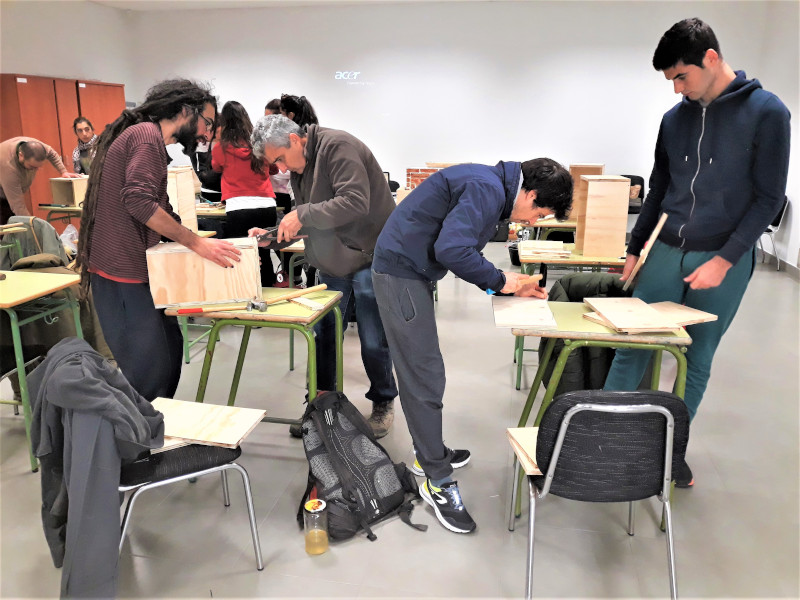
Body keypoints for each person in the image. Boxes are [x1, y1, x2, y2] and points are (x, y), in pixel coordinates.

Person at [603, 18, 791, 487]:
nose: (676, 90)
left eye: (680, 77)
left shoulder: (768, 113)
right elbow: (660, 187)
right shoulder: (674, 120)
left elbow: (769, 198)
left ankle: (670, 449)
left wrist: (725, 259)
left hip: (724, 259)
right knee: (634, 345)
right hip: (666, 251)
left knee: (697, 357)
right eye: (670, 81)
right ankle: (601, 436)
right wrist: (634, 249)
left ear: (710, 59)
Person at [371, 158, 573, 533]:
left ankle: (429, 449)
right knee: (424, 374)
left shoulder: (488, 184)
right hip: (400, 274)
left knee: (425, 371)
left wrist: (503, 282)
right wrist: (501, 280)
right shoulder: (488, 189)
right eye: (538, 213)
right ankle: (435, 476)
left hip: (407, 270)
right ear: (528, 194)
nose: (531, 222)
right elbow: (453, 250)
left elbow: (458, 247)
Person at [75, 78, 241, 401]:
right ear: (184, 111)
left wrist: (185, 238)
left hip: (128, 271)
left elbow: (158, 206)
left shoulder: (148, 140)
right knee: (152, 373)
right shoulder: (145, 138)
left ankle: (147, 437)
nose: (207, 133)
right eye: (207, 123)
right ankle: (140, 445)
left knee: (166, 358)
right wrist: (196, 243)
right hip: (120, 273)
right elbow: (138, 201)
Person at [250, 114, 399, 439]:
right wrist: (275, 235)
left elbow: (355, 202)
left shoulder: (338, 147)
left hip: (370, 255)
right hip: (334, 260)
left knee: (373, 339)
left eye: (279, 159)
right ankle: (321, 406)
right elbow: (311, 220)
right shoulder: (300, 169)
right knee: (324, 334)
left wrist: (300, 214)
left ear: (293, 140)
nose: (282, 169)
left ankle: (383, 403)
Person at [212, 100, 278, 286]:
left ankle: (245, 297)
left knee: (241, 255)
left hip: (238, 208)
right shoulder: (260, 144)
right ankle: (270, 298)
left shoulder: (221, 147)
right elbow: (273, 168)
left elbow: (215, 167)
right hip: (266, 205)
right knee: (264, 253)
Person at [0, 137, 79, 225]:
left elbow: (52, 153)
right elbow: (18, 205)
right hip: (2, 194)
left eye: (38, 167)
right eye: (32, 167)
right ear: (21, 155)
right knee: (6, 227)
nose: (36, 170)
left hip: (10, 191)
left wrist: (63, 171)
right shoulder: (8, 167)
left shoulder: (37, 147)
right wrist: (34, 225)